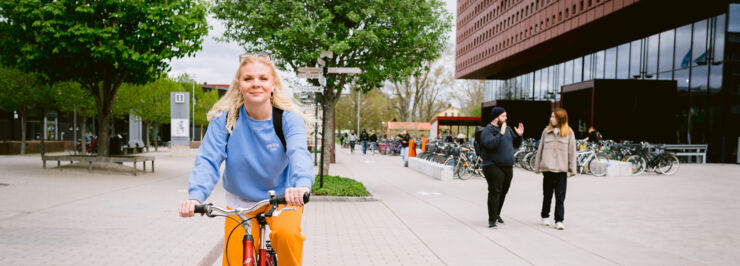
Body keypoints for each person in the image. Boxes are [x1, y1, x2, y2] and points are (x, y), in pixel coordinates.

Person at [178, 54, 314, 266]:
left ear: (273, 84)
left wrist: (302, 185)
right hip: (241, 201)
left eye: (263, 78)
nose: (255, 84)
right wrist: (196, 197)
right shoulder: (225, 120)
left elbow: (299, 153)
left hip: (283, 198)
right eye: (248, 79)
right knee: (233, 260)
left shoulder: (288, 119)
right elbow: (208, 159)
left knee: (286, 237)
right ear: (238, 84)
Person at [533, 108, 576, 230]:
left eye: (554, 117)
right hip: (548, 170)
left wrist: (572, 169)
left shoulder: (569, 133)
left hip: (561, 170)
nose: (551, 119)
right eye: (551, 116)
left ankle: (559, 220)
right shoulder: (546, 131)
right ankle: (545, 216)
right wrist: (537, 167)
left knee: (560, 197)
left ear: (561, 119)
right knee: (547, 195)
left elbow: (572, 152)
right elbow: (540, 150)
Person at [480, 107, 524, 229]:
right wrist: (500, 134)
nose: (506, 118)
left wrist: (519, 136)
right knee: (495, 190)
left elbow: (516, 145)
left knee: (504, 191)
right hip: (492, 165)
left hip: (507, 166)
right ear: (496, 117)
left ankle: (497, 214)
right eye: (504, 116)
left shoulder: (508, 129)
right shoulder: (488, 130)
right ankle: (492, 220)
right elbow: (489, 144)